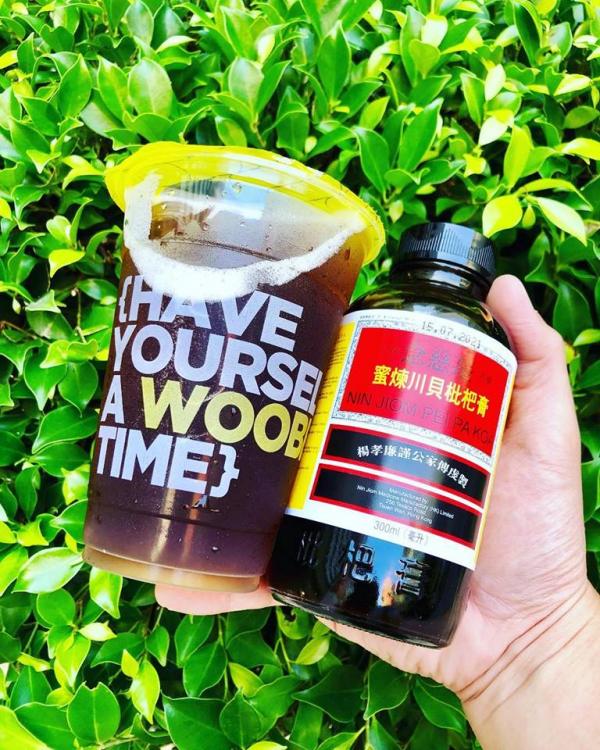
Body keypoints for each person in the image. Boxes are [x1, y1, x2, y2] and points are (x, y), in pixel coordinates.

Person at [156, 275, 600, 750]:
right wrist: (538, 647)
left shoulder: (481, 337)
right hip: (330, 521)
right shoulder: (377, 311)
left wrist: (541, 638)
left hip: (436, 555)